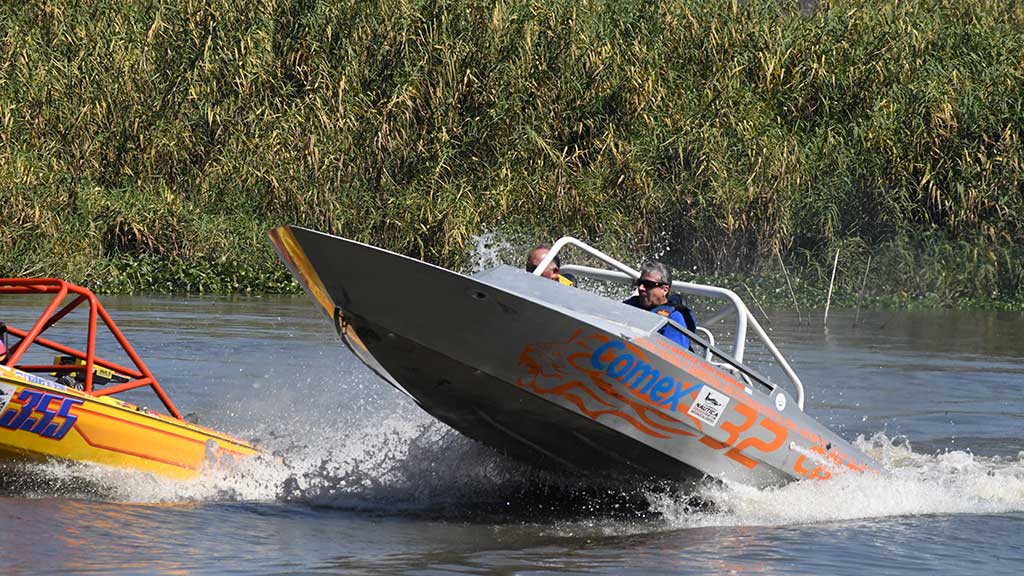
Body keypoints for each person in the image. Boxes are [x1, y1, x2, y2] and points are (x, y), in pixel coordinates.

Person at [623, 261, 694, 349]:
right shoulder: (629, 305)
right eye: (639, 282)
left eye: (648, 284)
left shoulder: (674, 318)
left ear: (664, 290)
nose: (640, 288)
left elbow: (675, 357)